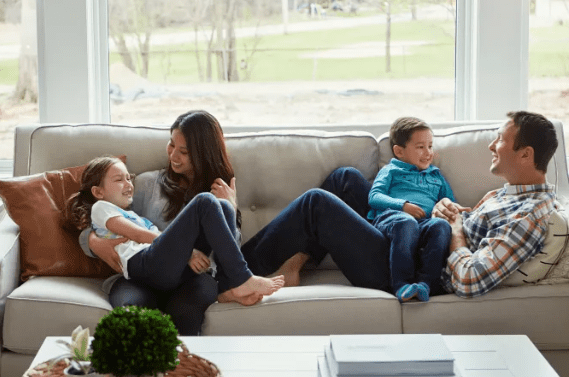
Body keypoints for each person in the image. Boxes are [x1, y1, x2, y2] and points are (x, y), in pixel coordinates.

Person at [81, 110, 259, 335]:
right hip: (142, 276)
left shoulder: (219, 194)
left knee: (186, 310)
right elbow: (105, 217)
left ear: (203, 154)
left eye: (184, 151)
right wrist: (93, 242)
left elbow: (228, 253)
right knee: (131, 310)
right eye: (171, 144)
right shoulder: (147, 184)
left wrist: (230, 208)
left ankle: (183, 358)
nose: (174, 155)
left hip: (192, 278)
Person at [68, 156, 283, 303]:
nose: (129, 184)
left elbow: (158, 239)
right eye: (119, 179)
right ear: (98, 192)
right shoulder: (101, 208)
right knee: (204, 201)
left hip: (166, 269)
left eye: (128, 178)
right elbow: (138, 235)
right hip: (143, 265)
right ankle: (242, 277)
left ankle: (230, 287)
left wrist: (230, 209)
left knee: (223, 206)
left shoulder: (135, 216)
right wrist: (186, 251)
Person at [432, 111, 561, 298]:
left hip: (422, 272)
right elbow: (467, 229)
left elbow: (469, 280)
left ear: (525, 154)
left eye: (500, 139)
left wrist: (455, 232)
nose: (491, 146)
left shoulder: (529, 216)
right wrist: (446, 210)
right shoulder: (506, 194)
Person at [239, 167, 391, 292]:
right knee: (345, 178)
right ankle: (292, 265)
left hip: (395, 266)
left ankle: (237, 273)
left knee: (315, 201)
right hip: (393, 236)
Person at [368, 117, 453, 302]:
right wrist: (403, 206)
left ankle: (426, 284)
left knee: (441, 226)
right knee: (406, 222)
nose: (428, 153)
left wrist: (455, 210)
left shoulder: (436, 175)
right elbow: (374, 197)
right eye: (420, 147)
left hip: (424, 224)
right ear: (399, 151)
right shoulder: (391, 170)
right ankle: (401, 284)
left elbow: (449, 202)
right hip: (393, 220)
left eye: (430, 146)